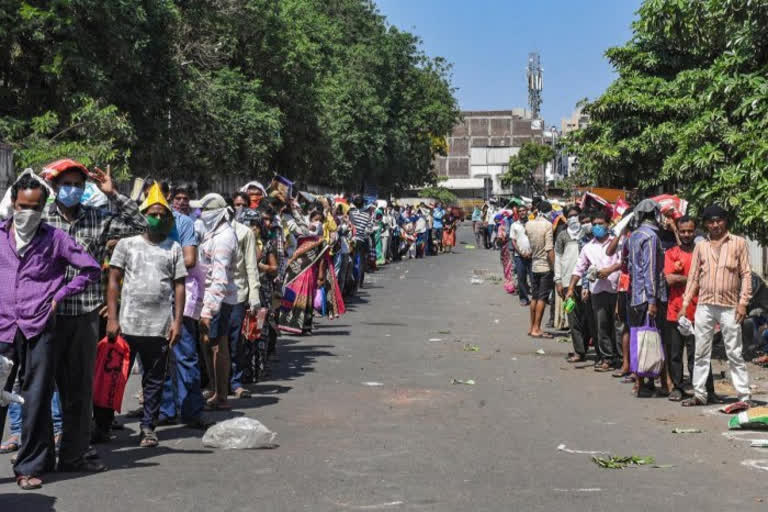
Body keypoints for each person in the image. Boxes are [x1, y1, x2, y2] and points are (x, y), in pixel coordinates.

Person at [41, 159, 145, 473]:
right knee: (40, 389)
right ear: (55, 187)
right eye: (67, 184)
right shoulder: (41, 218)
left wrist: (113, 194)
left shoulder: (98, 218)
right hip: (44, 316)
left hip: (84, 315)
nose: (72, 189)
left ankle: (73, 455)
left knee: (79, 391)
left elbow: (141, 226)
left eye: (78, 184)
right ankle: (41, 458)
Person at [0, 174, 100, 489]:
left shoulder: (55, 238)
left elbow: (91, 268)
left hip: (39, 326)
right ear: (13, 205)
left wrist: (58, 296)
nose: (27, 213)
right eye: (22, 206)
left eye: (34, 207)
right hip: (3, 327)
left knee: (36, 397)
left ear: (44, 208)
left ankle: (30, 466)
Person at [106, 184, 186, 448]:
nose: (158, 218)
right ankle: (103, 425)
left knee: (154, 381)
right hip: (128, 324)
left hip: (160, 326)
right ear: (143, 215)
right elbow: (114, 281)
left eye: (164, 215)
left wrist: (177, 321)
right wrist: (113, 318)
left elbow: (179, 286)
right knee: (115, 376)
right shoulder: (127, 245)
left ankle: (148, 428)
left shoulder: (174, 248)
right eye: (153, 213)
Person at [680, 205, 752, 407]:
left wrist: (743, 303)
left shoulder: (738, 243)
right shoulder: (701, 246)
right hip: (705, 305)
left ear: (725, 221)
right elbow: (693, 277)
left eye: (718, 220)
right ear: (705, 224)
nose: (715, 225)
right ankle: (700, 394)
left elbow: (746, 274)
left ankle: (744, 397)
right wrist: (685, 304)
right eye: (711, 222)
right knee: (701, 351)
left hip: (730, 306)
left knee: (734, 352)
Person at [193, 193, 239, 410]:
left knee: (218, 346)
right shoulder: (213, 233)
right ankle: (215, 389)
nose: (201, 215)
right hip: (210, 296)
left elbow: (220, 278)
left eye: (204, 211)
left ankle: (221, 394)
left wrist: (208, 310)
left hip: (218, 299)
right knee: (210, 344)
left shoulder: (224, 238)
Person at [664, 215, 715, 402]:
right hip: (675, 310)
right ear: (678, 231)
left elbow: (709, 279)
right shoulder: (671, 253)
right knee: (675, 353)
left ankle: (706, 389)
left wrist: (682, 279)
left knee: (700, 353)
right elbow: (669, 279)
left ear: (695, 231)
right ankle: (677, 388)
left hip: (700, 310)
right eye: (683, 231)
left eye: (690, 231)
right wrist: (695, 280)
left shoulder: (703, 252)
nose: (686, 234)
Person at [567, 210, 621, 372]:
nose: (597, 227)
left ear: (608, 225)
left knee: (619, 327)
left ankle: (622, 359)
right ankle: (607, 358)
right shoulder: (588, 247)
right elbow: (579, 268)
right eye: (595, 224)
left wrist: (609, 270)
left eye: (601, 224)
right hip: (597, 291)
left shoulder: (618, 242)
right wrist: (571, 288)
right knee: (601, 327)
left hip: (618, 290)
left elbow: (622, 261)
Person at [626, 199, 669, 397]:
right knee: (653, 337)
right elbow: (650, 270)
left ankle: (642, 381)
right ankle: (650, 382)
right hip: (647, 296)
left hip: (635, 295)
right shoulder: (651, 237)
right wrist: (652, 299)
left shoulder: (634, 235)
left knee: (639, 337)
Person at [229, 209, 261, 399]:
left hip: (237, 294)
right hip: (211, 295)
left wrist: (254, 294)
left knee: (235, 340)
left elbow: (251, 265)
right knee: (214, 342)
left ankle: (235, 381)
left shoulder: (243, 233)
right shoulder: (204, 230)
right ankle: (217, 383)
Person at [555, 206, 589, 362]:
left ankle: (585, 347)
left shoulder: (585, 233)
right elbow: (558, 258)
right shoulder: (562, 236)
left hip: (586, 282)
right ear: (566, 218)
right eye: (570, 216)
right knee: (573, 316)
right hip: (568, 282)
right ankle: (579, 351)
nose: (573, 218)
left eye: (576, 215)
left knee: (586, 317)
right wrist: (558, 280)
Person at [525, 200, 555, 338]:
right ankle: (537, 328)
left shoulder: (528, 224)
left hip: (534, 265)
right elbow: (549, 249)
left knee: (534, 297)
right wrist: (555, 268)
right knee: (542, 298)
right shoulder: (548, 225)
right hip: (545, 266)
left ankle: (532, 327)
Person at [510, 205, 533, 306]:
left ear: (527, 211)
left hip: (532, 255)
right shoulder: (514, 225)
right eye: (520, 211)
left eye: (524, 210)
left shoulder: (532, 224)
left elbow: (536, 238)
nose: (522, 212)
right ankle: (523, 298)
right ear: (517, 213)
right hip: (519, 256)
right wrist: (521, 253)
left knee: (534, 278)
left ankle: (536, 299)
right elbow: (513, 241)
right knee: (521, 278)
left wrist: (531, 251)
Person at [349, 196, 372, 290]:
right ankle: (360, 282)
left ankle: (352, 282)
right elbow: (369, 230)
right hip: (362, 239)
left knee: (352, 261)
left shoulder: (351, 213)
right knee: (361, 261)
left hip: (351, 239)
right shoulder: (367, 215)